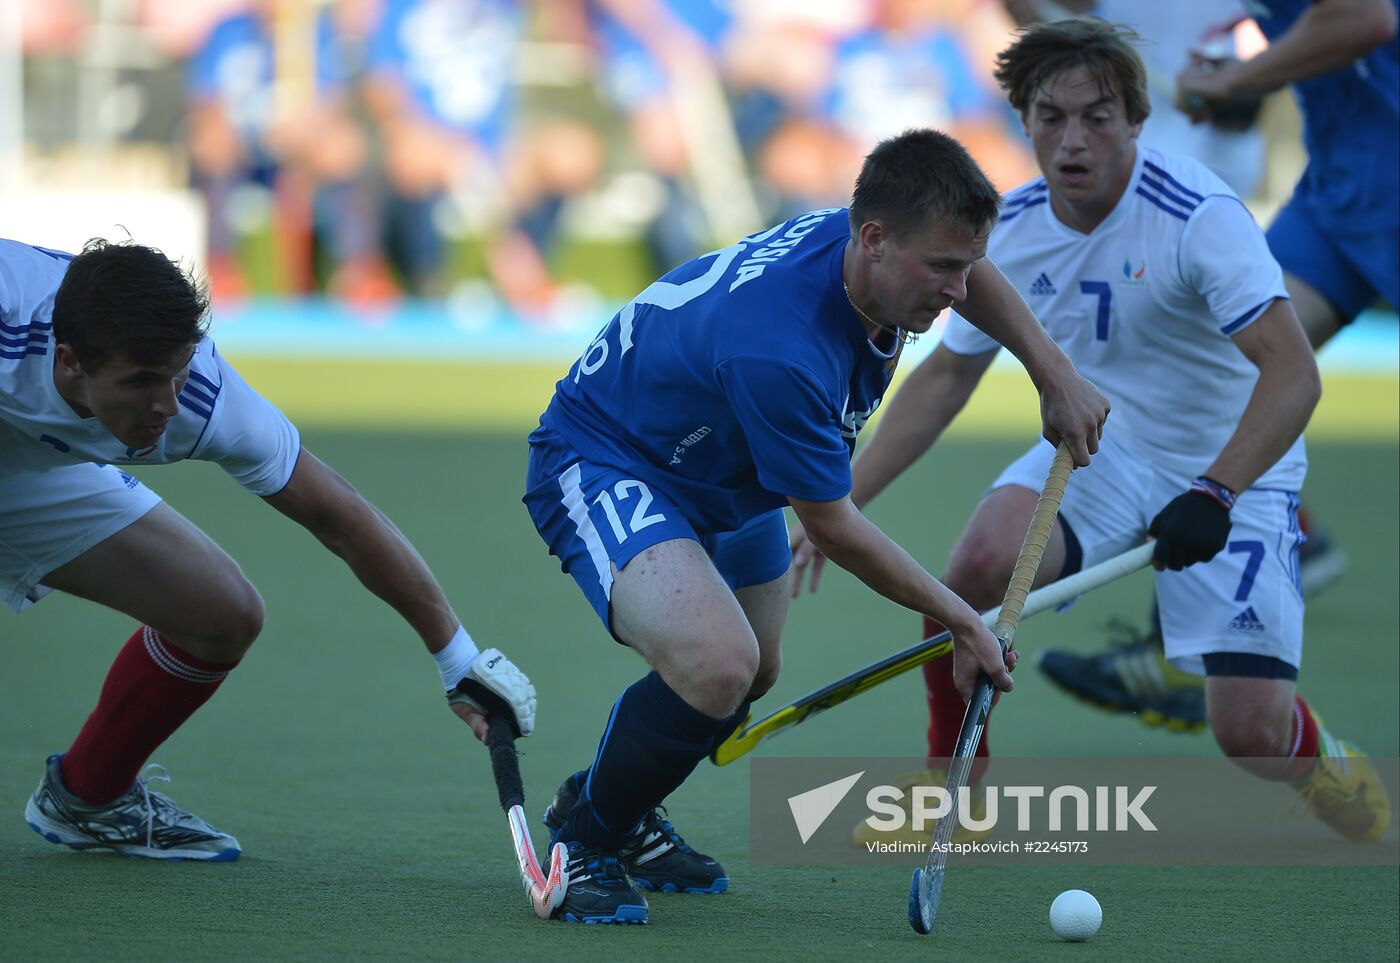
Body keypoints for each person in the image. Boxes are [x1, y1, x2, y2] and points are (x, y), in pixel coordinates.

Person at [789, 19, 1390, 850]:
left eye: (1096, 118)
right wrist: (839, 507)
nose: (1072, 141)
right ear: (1025, 123)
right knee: (973, 569)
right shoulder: (1015, 224)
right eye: (1049, 118)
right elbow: (946, 378)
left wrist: (1217, 490)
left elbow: (1294, 375)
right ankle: (954, 792)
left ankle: (1321, 758)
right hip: (1101, 447)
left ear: (1136, 122)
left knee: (1250, 735)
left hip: (1232, 465)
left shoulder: (1198, 216)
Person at [521, 128, 1110, 924]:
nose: (959, 289)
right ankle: (583, 839)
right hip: (609, 456)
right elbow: (831, 525)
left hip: (724, 469)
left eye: (965, 263)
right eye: (941, 269)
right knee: (717, 665)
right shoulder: (782, 349)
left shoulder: (885, 244)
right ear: (873, 239)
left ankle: (614, 802)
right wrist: (959, 618)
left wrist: (1055, 373)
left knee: (753, 670)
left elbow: (974, 269)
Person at [2, 237, 536, 861]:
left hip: (38, 471)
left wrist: (458, 659)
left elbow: (340, 515)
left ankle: (88, 799)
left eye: (176, 373)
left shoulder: (207, 402)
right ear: (68, 362)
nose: (166, 407)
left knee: (219, 614)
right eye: (142, 382)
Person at [1036, 0, 1397, 727]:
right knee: (1222, 370)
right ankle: (1180, 647)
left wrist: (1240, 79)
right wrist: (1245, 80)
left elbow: (1364, 20)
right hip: (1344, 187)